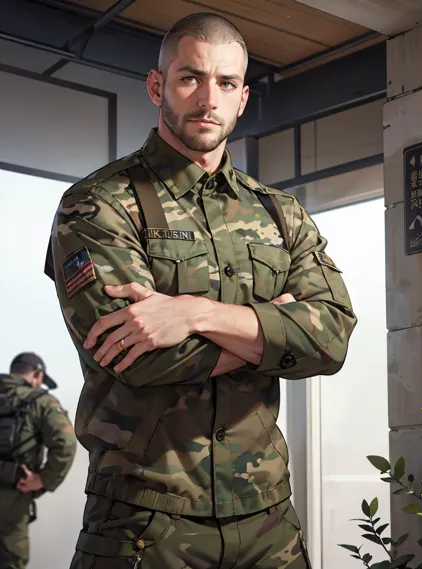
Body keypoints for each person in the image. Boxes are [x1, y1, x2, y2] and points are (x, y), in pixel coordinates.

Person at [45, 12, 357, 569]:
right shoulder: (99, 204)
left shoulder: (279, 213)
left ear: (242, 99)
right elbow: (133, 358)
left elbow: (331, 341)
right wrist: (273, 327)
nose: (208, 98)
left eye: (227, 83)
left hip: (269, 518)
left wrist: (193, 313)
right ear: (157, 86)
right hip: (143, 517)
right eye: (191, 78)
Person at [0, 352, 77, 569]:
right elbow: (66, 443)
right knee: (10, 561)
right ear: (37, 375)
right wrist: (44, 479)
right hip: (13, 500)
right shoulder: (41, 401)